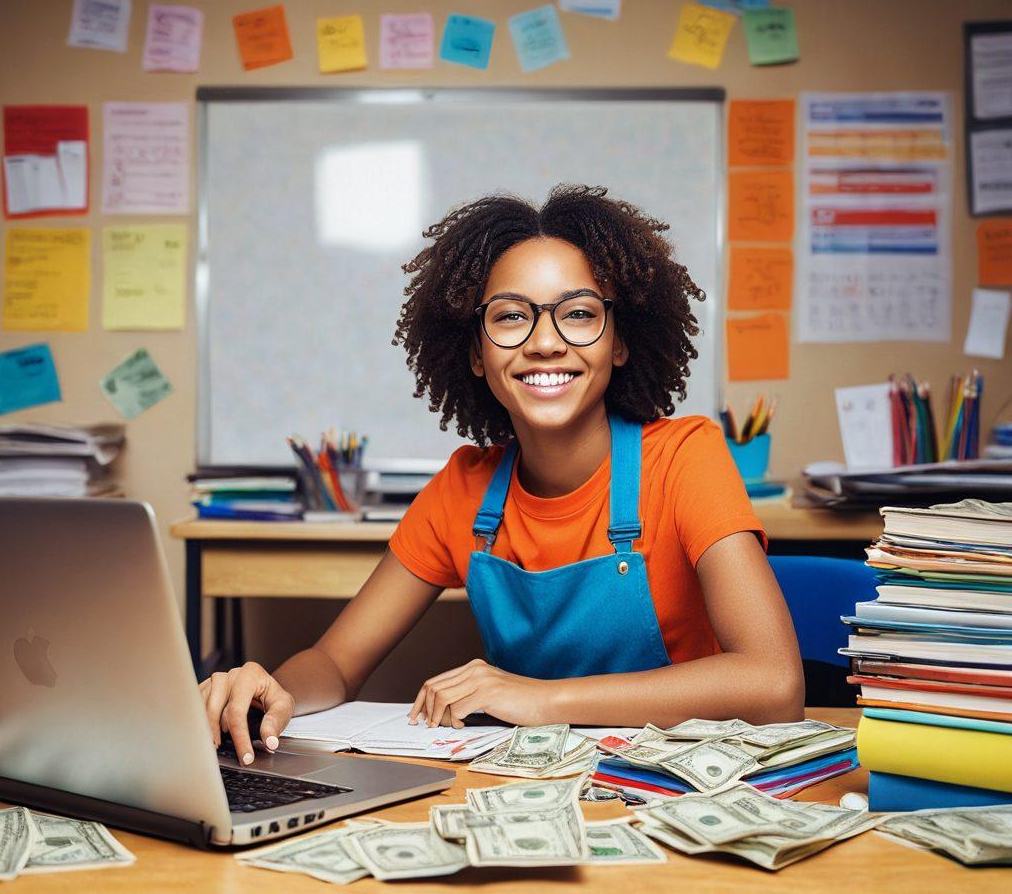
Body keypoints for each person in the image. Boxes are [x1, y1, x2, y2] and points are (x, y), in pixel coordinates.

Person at [201, 184, 805, 766]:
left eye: (578, 313)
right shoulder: (462, 490)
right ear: (475, 352)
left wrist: (539, 698)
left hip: (671, 786)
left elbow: (773, 682)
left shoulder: (685, 459)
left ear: (619, 342)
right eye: (512, 317)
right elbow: (334, 663)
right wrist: (272, 690)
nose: (545, 342)